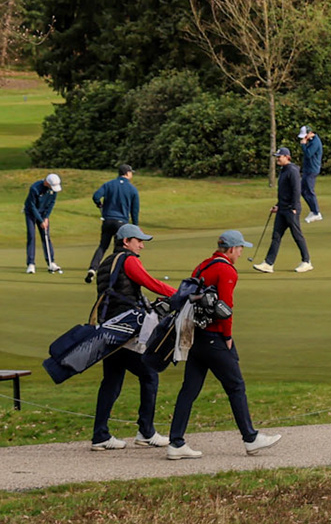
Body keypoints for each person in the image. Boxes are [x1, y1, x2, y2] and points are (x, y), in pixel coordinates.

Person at [166, 229, 280, 460]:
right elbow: (226, 309)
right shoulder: (226, 269)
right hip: (214, 337)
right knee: (236, 386)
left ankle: (176, 442)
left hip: (196, 337)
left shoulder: (203, 265)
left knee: (189, 390)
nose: (240, 252)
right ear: (230, 249)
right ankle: (250, 438)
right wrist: (227, 337)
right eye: (239, 248)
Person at [89, 222, 174, 450]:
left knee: (112, 381)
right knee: (149, 374)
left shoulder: (107, 262)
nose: (141, 247)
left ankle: (100, 435)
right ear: (126, 242)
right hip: (125, 330)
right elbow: (151, 283)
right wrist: (180, 294)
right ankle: (146, 432)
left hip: (109, 329)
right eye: (139, 242)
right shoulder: (128, 260)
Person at [254, 147, 313, 274]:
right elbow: (283, 192)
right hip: (282, 208)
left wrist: (294, 207)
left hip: (291, 210)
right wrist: (278, 205)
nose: (277, 159)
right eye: (277, 157)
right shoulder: (283, 170)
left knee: (297, 235)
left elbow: (296, 190)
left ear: (287, 157)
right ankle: (268, 263)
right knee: (276, 236)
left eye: (279, 157)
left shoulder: (292, 170)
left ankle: (306, 261)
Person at [86, 165, 140, 282]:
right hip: (121, 223)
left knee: (102, 246)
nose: (132, 174)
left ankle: (92, 269)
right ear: (127, 173)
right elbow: (134, 210)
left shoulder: (109, 184)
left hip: (107, 220)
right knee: (118, 249)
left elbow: (96, 196)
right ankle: (115, 274)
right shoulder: (132, 189)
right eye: (131, 172)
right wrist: (135, 226)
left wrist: (100, 205)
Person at [23, 171, 60, 274]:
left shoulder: (53, 189)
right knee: (31, 236)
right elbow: (32, 206)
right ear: (47, 183)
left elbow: (52, 203)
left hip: (43, 214)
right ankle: (31, 264)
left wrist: (46, 218)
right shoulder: (34, 188)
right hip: (31, 213)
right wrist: (40, 220)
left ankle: (51, 262)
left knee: (46, 236)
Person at [295, 125, 323, 223]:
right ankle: (313, 210)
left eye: (304, 135)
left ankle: (316, 213)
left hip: (312, 169)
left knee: (310, 190)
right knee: (302, 191)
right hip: (307, 169)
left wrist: (303, 144)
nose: (303, 138)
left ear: (310, 133)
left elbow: (308, 154)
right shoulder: (311, 140)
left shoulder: (315, 142)